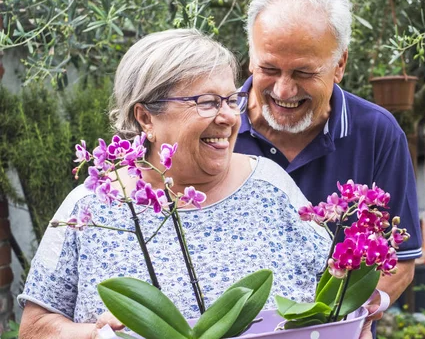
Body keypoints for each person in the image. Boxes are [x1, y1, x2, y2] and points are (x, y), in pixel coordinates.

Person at [18, 29, 330, 338]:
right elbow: (34, 329)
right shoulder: (89, 207)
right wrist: (92, 335)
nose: (228, 118)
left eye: (231, 100)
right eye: (207, 102)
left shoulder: (270, 187)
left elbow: (338, 294)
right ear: (145, 118)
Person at [234, 0, 423, 327]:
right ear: (250, 58)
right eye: (269, 68)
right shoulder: (215, 129)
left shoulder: (378, 134)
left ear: (340, 65)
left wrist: (358, 317)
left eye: (304, 72)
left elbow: (400, 262)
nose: (283, 89)